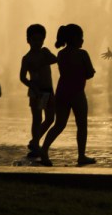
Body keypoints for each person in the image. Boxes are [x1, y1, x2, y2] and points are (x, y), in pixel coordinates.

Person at [39, 24, 96, 166]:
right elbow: (89, 73)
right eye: (81, 37)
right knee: (81, 125)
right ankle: (81, 156)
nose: (83, 40)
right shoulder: (82, 54)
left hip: (62, 92)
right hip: (77, 93)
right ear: (76, 39)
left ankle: (44, 149)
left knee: (59, 124)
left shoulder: (61, 54)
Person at [19, 24, 57, 158]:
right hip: (36, 92)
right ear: (28, 40)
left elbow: (55, 60)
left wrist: (47, 55)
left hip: (48, 90)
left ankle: (35, 140)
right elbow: (22, 77)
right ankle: (35, 144)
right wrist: (32, 86)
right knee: (37, 118)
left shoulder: (45, 53)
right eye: (34, 40)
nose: (37, 43)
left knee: (50, 118)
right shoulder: (27, 58)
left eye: (40, 40)